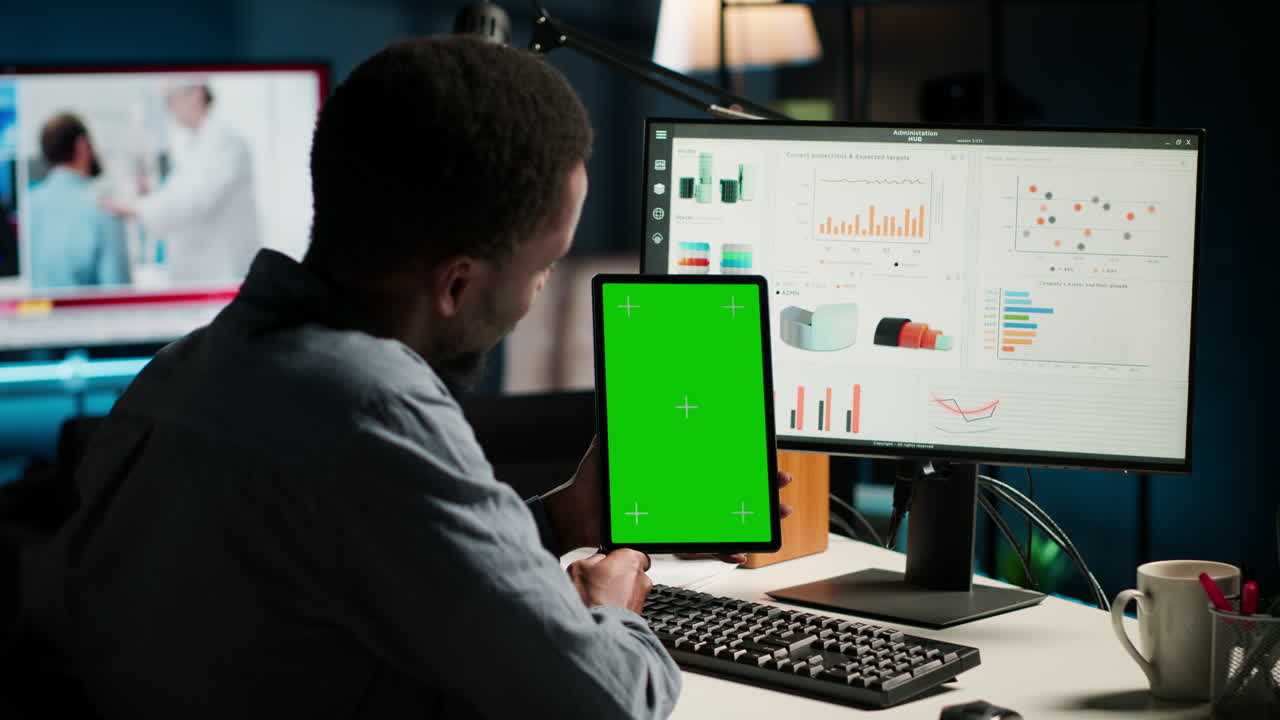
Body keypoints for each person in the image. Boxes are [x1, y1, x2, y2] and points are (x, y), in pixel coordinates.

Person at [20, 36, 792, 719]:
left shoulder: (189, 365)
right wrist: (617, 607)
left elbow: (375, 554)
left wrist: (561, 522)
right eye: (544, 267)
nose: (536, 296)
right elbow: (606, 702)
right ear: (456, 284)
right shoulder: (371, 409)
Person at [101, 80, 259, 287]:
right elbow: (177, 197)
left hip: (220, 275)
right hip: (199, 276)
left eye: (171, 99)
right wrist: (146, 201)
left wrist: (137, 209)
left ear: (196, 93)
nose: (168, 108)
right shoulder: (195, 144)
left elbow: (195, 200)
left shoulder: (225, 141)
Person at [27, 113, 130, 289]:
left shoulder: (31, 203)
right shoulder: (104, 206)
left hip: (40, 314)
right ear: (82, 145)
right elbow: (118, 293)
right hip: (91, 316)